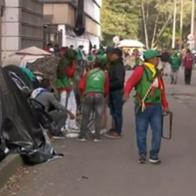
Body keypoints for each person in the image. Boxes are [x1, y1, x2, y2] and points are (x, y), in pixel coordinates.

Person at [123, 50, 169, 164]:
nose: (158, 60)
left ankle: (150, 155)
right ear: (151, 59)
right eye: (156, 58)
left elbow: (161, 90)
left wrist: (165, 104)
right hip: (143, 105)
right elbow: (130, 82)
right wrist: (126, 93)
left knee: (148, 132)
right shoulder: (140, 70)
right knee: (147, 131)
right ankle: (146, 154)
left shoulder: (157, 72)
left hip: (155, 106)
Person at [79, 58, 109, 142]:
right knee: (98, 117)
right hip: (99, 94)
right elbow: (106, 89)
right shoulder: (105, 74)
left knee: (85, 116)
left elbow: (81, 86)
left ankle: (82, 136)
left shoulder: (88, 73)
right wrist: (104, 96)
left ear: (94, 65)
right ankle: (97, 137)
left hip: (88, 94)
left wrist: (82, 95)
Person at [55, 49, 79, 137]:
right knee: (66, 106)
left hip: (68, 86)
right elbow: (66, 74)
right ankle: (64, 126)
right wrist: (74, 68)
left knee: (73, 105)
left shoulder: (66, 61)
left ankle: (71, 124)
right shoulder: (65, 62)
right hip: (64, 87)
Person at [105, 47, 125, 139]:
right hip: (112, 91)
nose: (109, 56)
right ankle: (114, 128)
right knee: (113, 111)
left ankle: (118, 130)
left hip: (117, 91)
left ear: (116, 55)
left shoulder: (118, 66)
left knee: (117, 111)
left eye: (110, 54)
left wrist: (108, 85)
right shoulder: (112, 64)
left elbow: (119, 81)